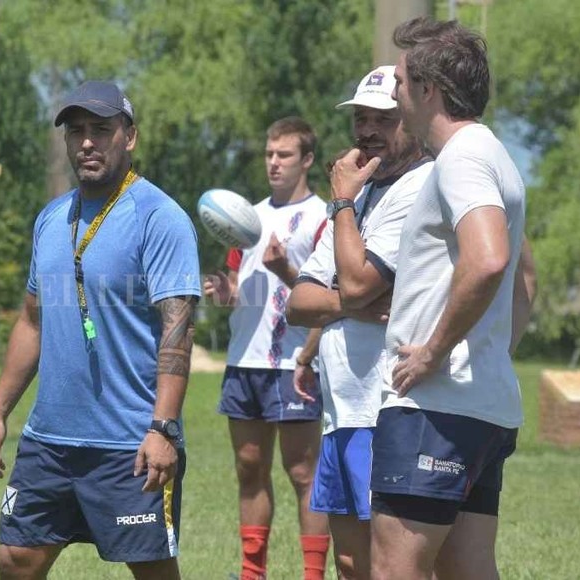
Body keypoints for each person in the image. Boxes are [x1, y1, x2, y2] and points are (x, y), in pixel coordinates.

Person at [0, 80, 201, 580]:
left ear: (130, 136)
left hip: (130, 441)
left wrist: (162, 428)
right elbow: (32, 321)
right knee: (16, 559)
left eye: (101, 129)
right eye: (76, 131)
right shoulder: (52, 218)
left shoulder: (160, 218)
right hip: (49, 438)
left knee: (152, 569)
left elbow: (177, 332)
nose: (88, 142)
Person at [348, 18, 536, 580]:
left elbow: (490, 259)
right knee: (467, 568)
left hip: (435, 407)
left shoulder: (461, 159)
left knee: (392, 569)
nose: (395, 92)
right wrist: (489, 354)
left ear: (429, 90)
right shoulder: (495, 155)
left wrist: (435, 350)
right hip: (483, 405)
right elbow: (526, 280)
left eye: (401, 81)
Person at [287, 65, 433, 580]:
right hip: (343, 412)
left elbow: (353, 285)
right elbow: (299, 302)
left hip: (388, 409)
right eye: (361, 119)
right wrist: (349, 304)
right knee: (350, 562)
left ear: (411, 120)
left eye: (383, 119)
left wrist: (343, 201)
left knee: (395, 564)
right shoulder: (361, 197)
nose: (367, 130)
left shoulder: (419, 188)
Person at [204, 117, 330, 580]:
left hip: (293, 363)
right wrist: (224, 291)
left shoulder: (322, 218)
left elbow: (325, 298)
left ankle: (313, 574)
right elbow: (238, 286)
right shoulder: (245, 217)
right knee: (249, 468)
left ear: (307, 160)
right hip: (244, 361)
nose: (273, 163)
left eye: (284, 155)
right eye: (269, 154)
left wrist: (309, 355)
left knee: (303, 473)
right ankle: (251, 574)